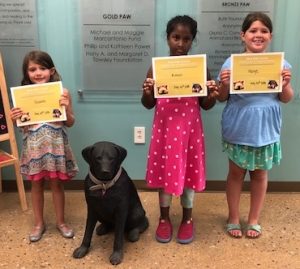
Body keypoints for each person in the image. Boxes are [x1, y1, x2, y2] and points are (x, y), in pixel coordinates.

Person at [141, 15, 218, 244]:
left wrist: (212, 95)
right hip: (165, 132)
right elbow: (148, 104)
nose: (181, 44)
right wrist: (147, 92)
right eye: (176, 37)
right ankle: (164, 219)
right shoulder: (157, 69)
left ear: (192, 40)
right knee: (165, 173)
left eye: (186, 39)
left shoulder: (200, 68)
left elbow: (205, 104)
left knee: (188, 174)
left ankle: (187, 219)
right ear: (167, 38)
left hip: (189, 133)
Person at [218, 12, 293, 238]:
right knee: (235, 173)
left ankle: (253, 219)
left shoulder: (280, 64)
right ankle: (233, 217)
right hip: (239, 126)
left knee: (260, 175)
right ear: (243, 35)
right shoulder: (231, 63)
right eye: (253, 30)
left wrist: (286, 84)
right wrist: (224, 84)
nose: (258, 35)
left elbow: (286, 97)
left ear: (271, 36)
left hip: (265, 129)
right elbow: (222, 97)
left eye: (263, 31)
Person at [10, 50, 79, 242]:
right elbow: (21, 125)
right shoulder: (21, 97)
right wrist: (14, 118)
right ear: (27, 73)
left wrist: (66, 107)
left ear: (51, 70)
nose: (38, 73)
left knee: (57, 185)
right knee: (36, 185)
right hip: (34, 147)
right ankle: (39, 223)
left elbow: (71, 122)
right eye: (32, 69)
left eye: (42, 68)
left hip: (56, 146)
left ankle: (61, 222)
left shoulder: (62, 93)